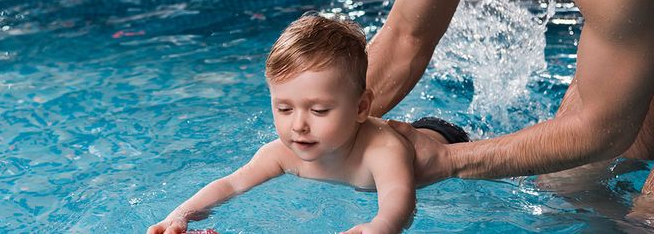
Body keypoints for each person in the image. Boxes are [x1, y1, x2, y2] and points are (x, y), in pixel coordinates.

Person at [365, 0, 654, 205]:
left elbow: (603, 130)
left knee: (649, 212)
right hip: (641, 17)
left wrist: (449, 159)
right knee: (565, 184)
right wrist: (314, 121)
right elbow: (407, 37)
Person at [147, 14, 469, 234]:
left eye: (318, 111)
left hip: (445, 137)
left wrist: (382, 225)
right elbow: (231, 185)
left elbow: (400, 195)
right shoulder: (281, 154)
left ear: (362, 107)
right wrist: (180, 215)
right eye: (284, 108)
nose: (298, 126)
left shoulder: (382, 149)